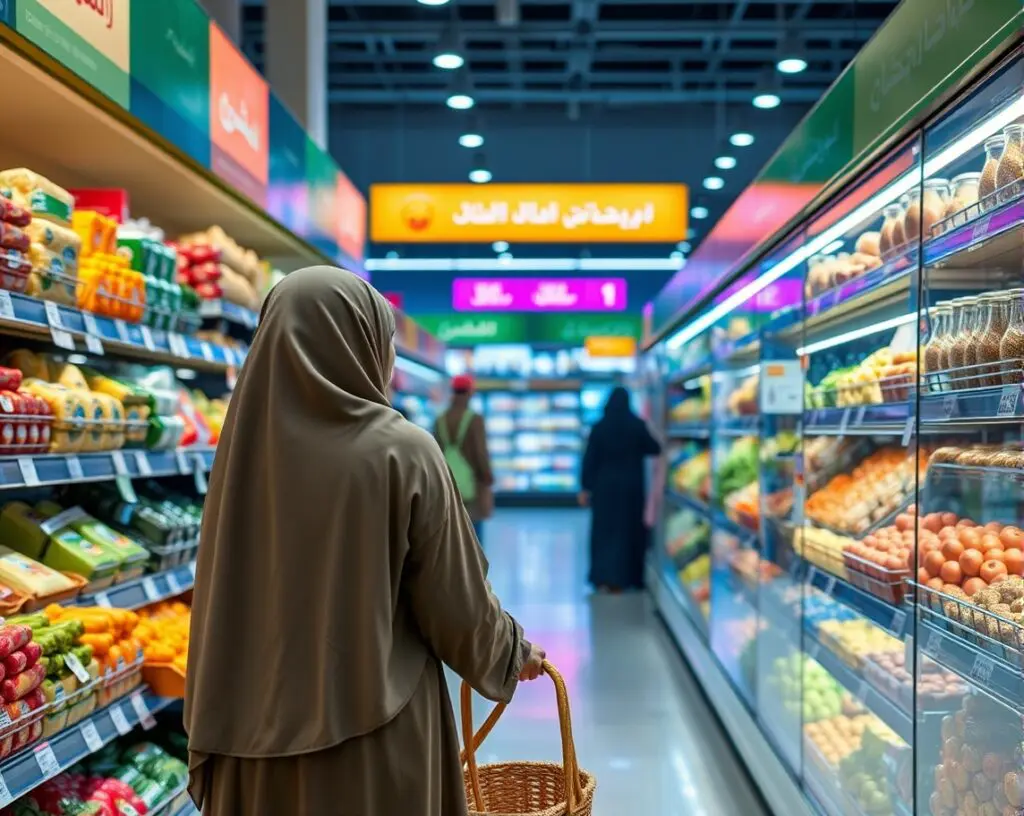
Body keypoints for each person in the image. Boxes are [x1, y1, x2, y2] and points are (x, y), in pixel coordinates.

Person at [184, 267, 545, 816]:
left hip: (248, 746)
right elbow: (456, 606)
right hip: (374, 744)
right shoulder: (402, 452)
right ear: (361, 343)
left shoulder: (239, 459)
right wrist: (511, 651)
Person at [580, 386, 661, 592]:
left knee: (604, 533)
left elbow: (590, 459)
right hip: (631, 490)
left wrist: (585, 487)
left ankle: (603, 577)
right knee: (629, 533)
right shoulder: (637, 425)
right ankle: (629, 577)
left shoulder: (599, 427)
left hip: (604, 489)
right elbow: (655, 448)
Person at [434, 374, 493, 542]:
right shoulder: (475, 419)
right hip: (472, 485)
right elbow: (480, 453)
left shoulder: (440, 419)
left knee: (452, 533)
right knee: (474, 533)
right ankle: (475, 567)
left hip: (448, 484)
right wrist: (487, 476)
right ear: (469, 392)